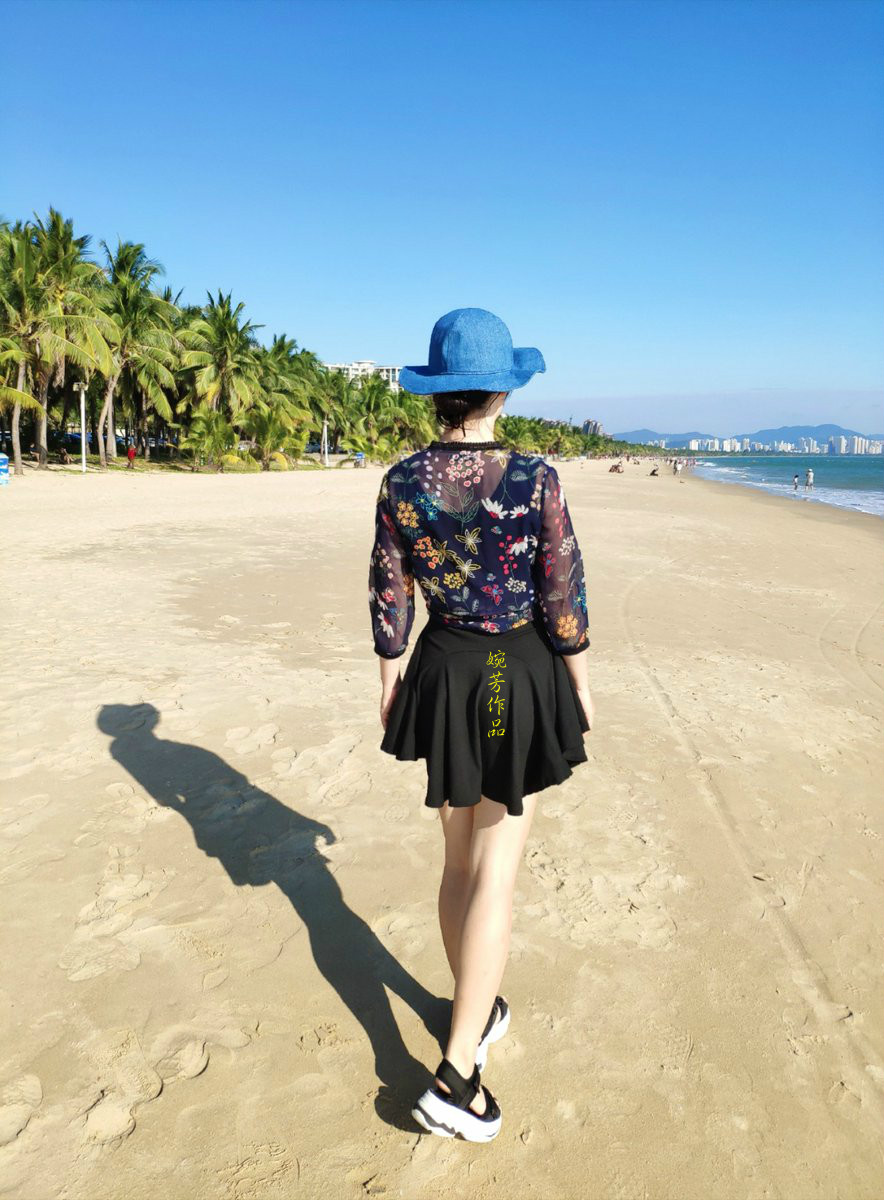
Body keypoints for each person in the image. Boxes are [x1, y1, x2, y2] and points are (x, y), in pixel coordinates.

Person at [368, 308, 593, 1143]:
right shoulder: (535, 479)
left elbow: (389, 588)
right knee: (497, 868)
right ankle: (457, 1075)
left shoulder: (400, 481)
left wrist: (389, 678)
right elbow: (561, 589)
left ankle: (477, 1004)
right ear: (502, 391)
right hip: (515, 672)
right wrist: (581, 682)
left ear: (438, 392)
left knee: (458, 858)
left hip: (444, 668)